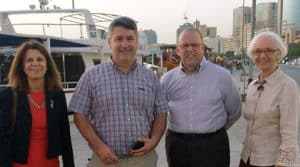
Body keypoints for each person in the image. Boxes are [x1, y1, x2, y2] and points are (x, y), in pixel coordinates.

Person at [68, 16, 169, 167]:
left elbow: (161, 113)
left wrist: (154, 141)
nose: (124, 44)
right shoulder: (91, 76)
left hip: (143, 160)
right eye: (119, 39)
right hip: (105, 160)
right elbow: (79, 115)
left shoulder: (151, 78)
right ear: (110, 42)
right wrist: (100, 147)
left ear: (137, 42)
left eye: (130, 39)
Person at [160, 27, 242, 167]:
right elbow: (159, 113)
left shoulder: (222, 76)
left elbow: (235, 111)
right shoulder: (167, 80)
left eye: (195, 45)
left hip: (213, 146)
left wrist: (214, 132)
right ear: (178, 50)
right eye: (185, 45)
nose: (190, 49)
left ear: (202, 48)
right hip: (178, 146)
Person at [0, 40, 74, 167]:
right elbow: (3, 141)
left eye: (40, 59)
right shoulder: (9, 96)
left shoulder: (57, 96)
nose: (35, 63)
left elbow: (65, 137)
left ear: (47, 65)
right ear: (22, 66)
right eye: (29, 60)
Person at [239, 31, 300, 167]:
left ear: (278, 54)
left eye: (269, 51)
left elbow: (289, 134)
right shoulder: (253, 86)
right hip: (247, 158)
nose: (262, 56)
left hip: (271, 162)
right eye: (257, 51)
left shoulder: (287, 86)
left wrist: (282, 164)